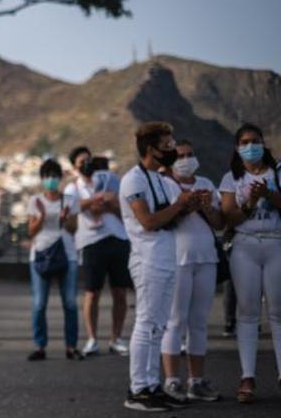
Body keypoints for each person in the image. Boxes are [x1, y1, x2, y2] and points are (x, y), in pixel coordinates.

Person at [119, 122, 198, 412]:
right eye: (167, 146)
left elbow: (169, 220)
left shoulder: (162, 180)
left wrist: (188, 205)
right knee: (146, 323)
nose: (172, 150)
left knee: (159, 326)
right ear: (151, 149)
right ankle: (138, 388)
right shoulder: (132, 181)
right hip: (146, 259)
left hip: (166, 257)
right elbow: (149, 222)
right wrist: (180, 205)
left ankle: (152, 385)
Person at [218, 123, 281, 404]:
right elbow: (229, 219)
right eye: (244, 141)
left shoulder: (277, 172)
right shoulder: (231, 178)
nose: (250, 145)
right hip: (244, 246)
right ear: (237, 147)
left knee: (279, 311)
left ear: (263, 143)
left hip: (276, 242)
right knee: (247, 312)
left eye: (255, 140)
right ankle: (247, 376)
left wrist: (269, 195)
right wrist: (250, 202)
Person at [160, 140, 224, 402]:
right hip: (177, 259)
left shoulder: (206, 184)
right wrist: (185, 205)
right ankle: (172, 380)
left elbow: (220, 223)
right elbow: (162, 221)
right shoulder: (165, 186)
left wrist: (206, 207)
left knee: (199, 321)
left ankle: (196, 381)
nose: (186, 159)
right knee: (175, 321)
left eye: (190, 154)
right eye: (180, 155)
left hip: (205, 257)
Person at [64, 146, 131, 356]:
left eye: (89, 160)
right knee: (92, 293)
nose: (87, 164)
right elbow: (69, 214)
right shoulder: (73, 188)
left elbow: (127, 213)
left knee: (119, 291)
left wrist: (111, 205)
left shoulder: (112, 181)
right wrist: (92, 201)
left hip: (118, 239)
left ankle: (116, 338)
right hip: (91, 242)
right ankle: (92, 339)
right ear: (74, 167)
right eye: (81, 162)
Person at [26, 159, 83, 361]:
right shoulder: (35, 201)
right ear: (42, 179)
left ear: (60, 178)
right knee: (39, 304)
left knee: (70, 303)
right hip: (40, 255)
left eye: (54, 176)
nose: (51, 180)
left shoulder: (69, 200)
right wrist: (41, 217)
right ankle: (40, 346)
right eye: (47, 176)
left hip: (67, 255)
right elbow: (30, 231)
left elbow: (74, 229)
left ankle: (71, 346)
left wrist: (65, 218)